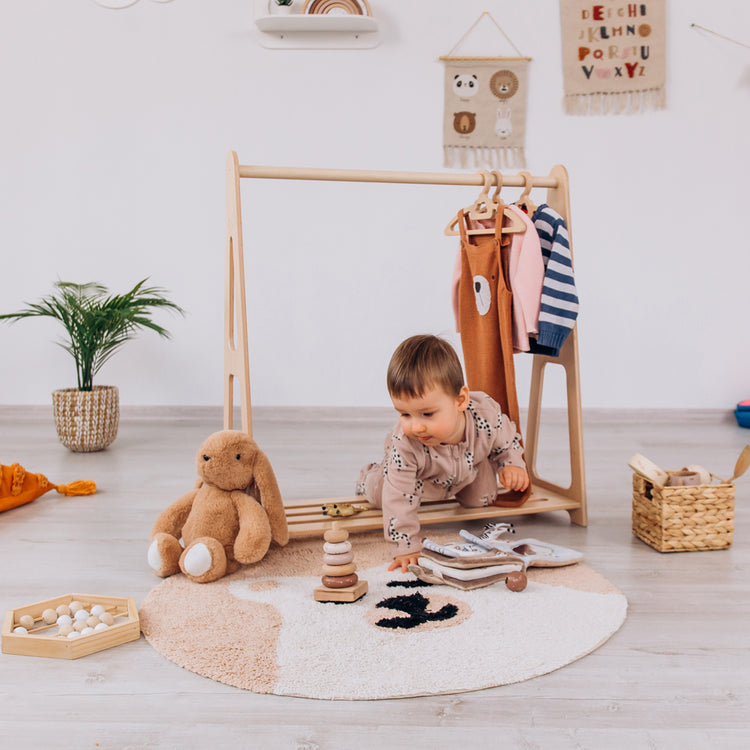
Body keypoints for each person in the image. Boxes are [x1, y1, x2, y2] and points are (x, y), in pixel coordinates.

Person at [356, 334, 529, 573]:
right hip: (418, 482)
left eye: (427, 414)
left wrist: (512, 463)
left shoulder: (484, 415)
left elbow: (507, 438)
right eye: (405, 414)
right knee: (382, 494)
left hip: (467, 470)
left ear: (460, 400)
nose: (416, 426)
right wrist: (405, 545)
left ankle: (480, 472)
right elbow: (398, 498)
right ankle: (368, 476)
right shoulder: (405, 444)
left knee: (483, 499)